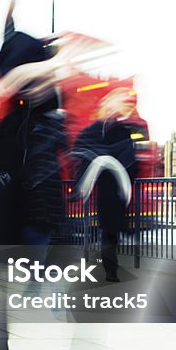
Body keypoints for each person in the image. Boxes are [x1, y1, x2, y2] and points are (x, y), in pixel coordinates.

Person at [0, 1, 69, 350]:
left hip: (42, 207)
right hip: (8, 204)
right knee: (1, 283)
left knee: (36, 268)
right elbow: (7, 80)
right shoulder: (8, 118)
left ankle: (41, 284)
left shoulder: (53, 110)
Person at [72, 87, 146, 282]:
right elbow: (82, 153)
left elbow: (129, 160)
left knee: (111, 231)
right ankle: (110, 269)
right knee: (110, 231)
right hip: (109, 189)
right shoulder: (100, 130)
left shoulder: (118, 131)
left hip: (116, 189)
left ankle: (111, 267)